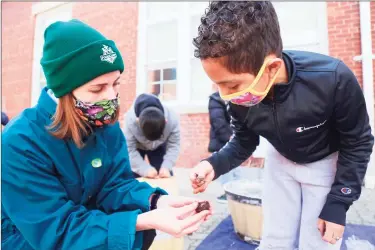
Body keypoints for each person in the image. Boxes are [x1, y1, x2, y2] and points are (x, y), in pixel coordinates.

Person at [1, 19, 211, 250]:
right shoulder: (20, 143)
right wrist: (140, 221)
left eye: (116, 84)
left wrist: (156, 201)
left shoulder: (103, 123)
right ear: (64, 90)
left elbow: (115, 185)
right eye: (97, 88)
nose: (111, 97)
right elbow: (55, 230)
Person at [189, 2, 374, 250]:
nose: (225, 96)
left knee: (317, 243)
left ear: (272, 67)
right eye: (219, 86)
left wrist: (339, 201)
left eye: (232, 86)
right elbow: (244, 141)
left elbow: (358, 141)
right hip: (280, 163)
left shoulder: (333, 79)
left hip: (324, 163)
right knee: (274, 238)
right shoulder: (240, 97)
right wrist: (214, 164)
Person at [124, 93, 180, 179]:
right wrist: (144, 169)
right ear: (138, 121)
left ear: (165, 121)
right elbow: (129, 150)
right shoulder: (129, 120)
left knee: (165, 175)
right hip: (137, 147)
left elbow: (174, 145)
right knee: (133, 178)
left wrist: (167, 166)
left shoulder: (172, 119)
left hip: (159, 147)